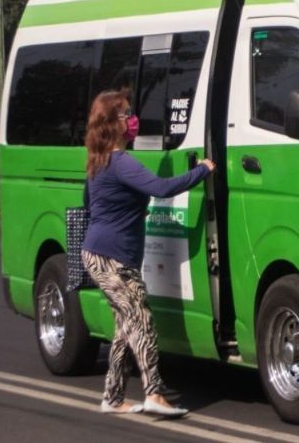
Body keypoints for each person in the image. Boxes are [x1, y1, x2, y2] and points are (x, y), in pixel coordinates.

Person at [82, 88, 215, 417]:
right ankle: (154, 392)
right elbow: (161, 188)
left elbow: (91, 205)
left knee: (124, 329)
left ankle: (112, 397)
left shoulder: (100, 161)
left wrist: (126, 211)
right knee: (141, 320)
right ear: (112, 123)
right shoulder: (121, 161)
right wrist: (203, 169)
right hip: (112, 257)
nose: (133, 119)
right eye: (127, 114)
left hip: (102, 253)